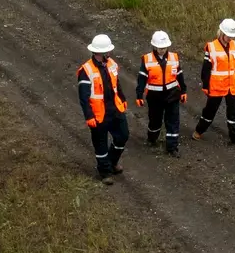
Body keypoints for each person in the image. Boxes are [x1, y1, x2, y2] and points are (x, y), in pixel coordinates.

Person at [77, 33, 130, 179]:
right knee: (100, 144)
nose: (110, 52)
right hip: (98, 114)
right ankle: (105, 172)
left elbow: (116, 83)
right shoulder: (86, 71)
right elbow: (84, 97)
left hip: (115, 109)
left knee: (123, 135)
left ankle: (112, 162)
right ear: (100, 51)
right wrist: (89, 116)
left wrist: (122, 98)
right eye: (107, 50)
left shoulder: (111, 64)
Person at [194, 17, 235, 145]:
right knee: (210, 111)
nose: (230, 38)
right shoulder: (211, 47)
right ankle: (199, 131)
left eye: (232, 36)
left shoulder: (234, 45)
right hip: (217, 86)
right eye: (228, 36)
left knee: (233, 112)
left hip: (231, 85)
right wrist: (206, 85)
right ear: (222, 33)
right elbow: (205, 69)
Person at [137, 30, 187, 156]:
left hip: (172, 94)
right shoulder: (147, 59)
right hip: (154, 97)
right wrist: (139, 94)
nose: (162, 50)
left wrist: (183, 91)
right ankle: (152, 138)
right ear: (154, 46)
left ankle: (172, 147)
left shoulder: (174, 57)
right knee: (155, 121)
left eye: (164, 48)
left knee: (173, 120)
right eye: (159, 48)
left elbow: (179, 75)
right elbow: (142, 79)